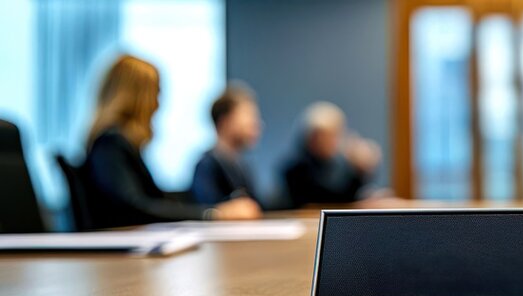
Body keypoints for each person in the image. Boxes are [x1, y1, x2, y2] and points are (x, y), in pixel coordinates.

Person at [83, 54, 261, 229]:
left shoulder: (118, 145)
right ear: (137, 98)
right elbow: (135, 208)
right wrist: (213, 213)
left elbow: (152, 200)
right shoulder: (111, 144)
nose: (157, 104)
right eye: (155, 94)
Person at [283, 102, 381, 207]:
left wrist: (361, 172)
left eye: (336, 135)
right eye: (328, 136)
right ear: (312, 137)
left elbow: (349, 195)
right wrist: (357, 173)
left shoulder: (336, 165)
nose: (334, 141)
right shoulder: (296, 169)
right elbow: (329, 198)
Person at [191, 82, 262, 205]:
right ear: (224, 121)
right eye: (248, 115)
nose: (255, 124)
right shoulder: (207, 165)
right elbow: (207, 208)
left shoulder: (241, 166)